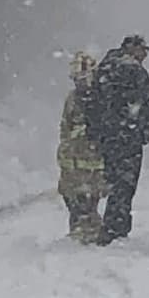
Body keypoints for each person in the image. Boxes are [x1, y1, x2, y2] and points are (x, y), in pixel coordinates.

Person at [87, 34, 149, 244]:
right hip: (128, 137)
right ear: (132, 48)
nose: (145, 54)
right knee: (125, 184)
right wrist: (145, 130)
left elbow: (93, 103)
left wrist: (97, 132)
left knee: (111, 181)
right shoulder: (134, 70)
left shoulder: (104, 67)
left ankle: (100, 224)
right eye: (143, 49)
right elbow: (145, 102)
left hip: (108, 137)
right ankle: (115, 228)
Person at [56, 52, 106, 243]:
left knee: (90, 196)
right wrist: (65, 148)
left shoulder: (100, 97)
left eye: (83, 77)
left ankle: (91, 228)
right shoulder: (72, 98)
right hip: (72, 159)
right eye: (77, 78)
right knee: (70, 194)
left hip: (93, 158)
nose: (80, 82)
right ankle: (78, 227)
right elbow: (65, 125)